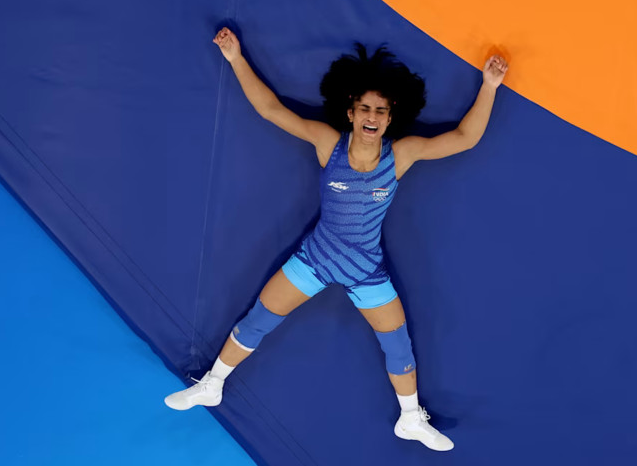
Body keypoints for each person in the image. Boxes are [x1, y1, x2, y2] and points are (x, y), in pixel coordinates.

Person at [164, 27, 508, 452]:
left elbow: (465, 138)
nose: (371, 116)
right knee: (257, 321)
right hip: (315, 260)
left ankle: (410, 420)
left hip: (367, 272)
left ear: (390, 117)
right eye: (364, 108)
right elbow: (270, 110)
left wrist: (489, 86)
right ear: (350, 112)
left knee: (398, 346)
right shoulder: (329, 144)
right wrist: (235, 58)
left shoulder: (402, 155)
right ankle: (212, 385)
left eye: (380, 110)